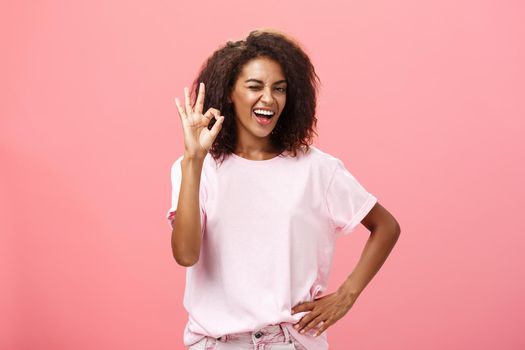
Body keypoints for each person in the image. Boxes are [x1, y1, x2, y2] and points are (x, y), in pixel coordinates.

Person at [167, 29, 401, 350]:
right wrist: (194, 160)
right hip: (216, 343)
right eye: (254, 87)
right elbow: (185, 254)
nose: (269, 99)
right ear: (229, 93)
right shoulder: (195, 168)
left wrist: (347, 294)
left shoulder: (318, 169)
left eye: (279, 89)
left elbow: (386, 226)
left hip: (288, 342)